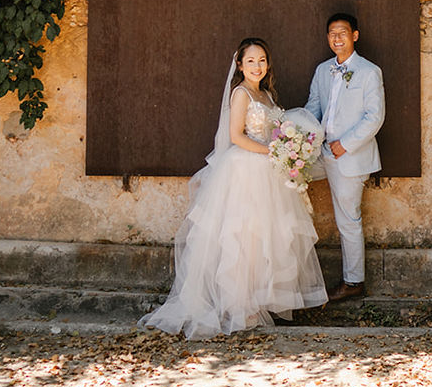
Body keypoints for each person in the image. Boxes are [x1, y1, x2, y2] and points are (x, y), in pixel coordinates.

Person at [139, 37, 328, 339]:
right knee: (242, 236)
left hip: (269, 171)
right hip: (245, 169)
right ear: (240, 65)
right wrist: (271, 151)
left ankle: (255, 299)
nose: (257, 66)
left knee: (264, 237)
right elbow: (236, 136)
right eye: (251, 61)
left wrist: (285, 147)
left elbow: (274, 131)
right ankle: (238, 304)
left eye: (262, 60)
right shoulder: (241, 94)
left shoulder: (265, 94)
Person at [306, 13, 385, 302]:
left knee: (348, 219)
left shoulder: (369, 71)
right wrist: (300, 140)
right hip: (321, 153)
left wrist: (345, 144)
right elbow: (313, 107)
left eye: (342, 33)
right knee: (285, 177)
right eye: (331, 33)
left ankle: (354, 282)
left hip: (350, 156)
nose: (336, 38)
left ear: (355, 35)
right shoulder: (322, 70)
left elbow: (374, 117)